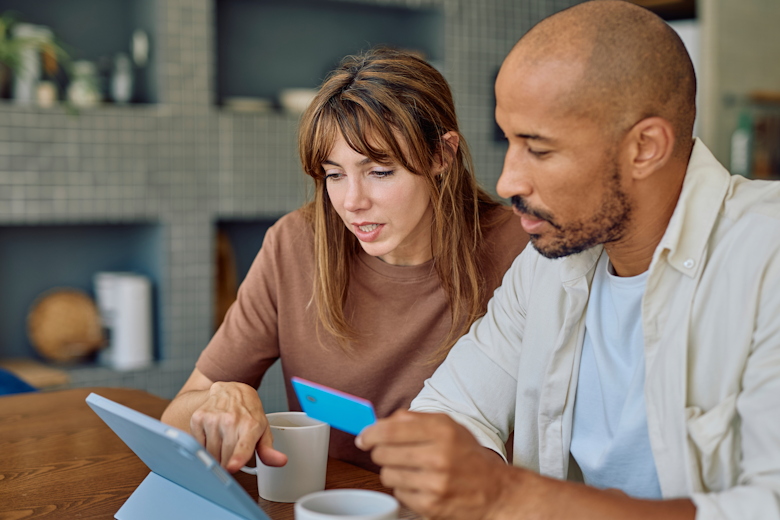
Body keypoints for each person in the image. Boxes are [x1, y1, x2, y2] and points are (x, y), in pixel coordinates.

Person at [356, 2, 780, 519]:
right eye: (509, 141)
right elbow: (452, 408)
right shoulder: (550, 261)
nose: (508, 182)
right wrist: (455, 470)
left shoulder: (766, 255)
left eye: (538, 149)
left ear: (645, 147)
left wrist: (507, 497)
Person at [161, 48, 529, 473]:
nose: (352, 202)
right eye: (334, 174)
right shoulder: (294, 244)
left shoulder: (521, 251)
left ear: (441, 156)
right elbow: (176, 417)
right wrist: (217, 403)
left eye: (380, 171)